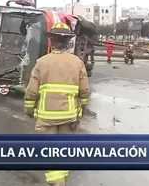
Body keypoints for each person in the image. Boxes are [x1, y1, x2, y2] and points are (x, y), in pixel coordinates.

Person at [24, 22, 91, 186]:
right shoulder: (77, 62)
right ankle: (61, 181)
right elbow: (85, 92)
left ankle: (58, 182)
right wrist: (81, 109)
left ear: (51, 41)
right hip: (69, 116)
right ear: (68, 42)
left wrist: (29, 108)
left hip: (46, 117)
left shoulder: (41, 62)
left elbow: (32, 91)